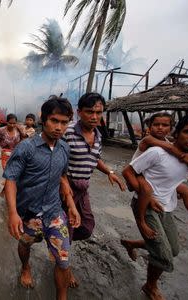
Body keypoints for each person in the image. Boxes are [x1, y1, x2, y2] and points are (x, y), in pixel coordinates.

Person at [121, 112, 188, 300]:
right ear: (177, 132)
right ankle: (150, 286)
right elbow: (129, 171)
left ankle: (132, 243)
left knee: (173, 250)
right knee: (164, 256)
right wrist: (143, 194)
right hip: (145, 201)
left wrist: (177, 185)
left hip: (166, 205)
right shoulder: (156, 150)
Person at [3, 96, 81, 300]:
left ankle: (61, 297)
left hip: (54, 212)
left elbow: (62, 177)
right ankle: (25, 267)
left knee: (63, 261)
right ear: (44, 119)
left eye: (64, 122)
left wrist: (71, 205)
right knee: (25, 245)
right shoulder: (26, 148)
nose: (59, 127)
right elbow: (10, 179)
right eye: (54, 120)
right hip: (28, 214)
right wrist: (12, 213)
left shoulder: (65, 148)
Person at [63, 93, 126, 287]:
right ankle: (64, 266)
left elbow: (94, 157)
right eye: (89, 112)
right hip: (65, 187)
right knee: (69, 229)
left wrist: (109, 171)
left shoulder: (98, 135)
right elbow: (56, 163)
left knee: (87, 227)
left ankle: (58, 242)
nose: (94, 116)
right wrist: (66, 193)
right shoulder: (68, 133)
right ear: (79, 112)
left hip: (83, 188)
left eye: (98, 112)